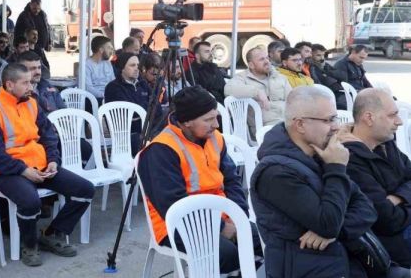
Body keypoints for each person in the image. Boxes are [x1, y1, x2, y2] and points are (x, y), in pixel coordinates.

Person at [250, 86, 379, 278]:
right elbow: (328, 223)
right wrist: (336, 169)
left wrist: (336, 231)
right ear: (300, 125)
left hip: (343, 262)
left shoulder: (319, 154)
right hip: (307, 269)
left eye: (335, 118)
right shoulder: (275, 173)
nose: (336, 127)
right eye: (328, 120)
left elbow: (367, 208)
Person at [0, 64, 95, 267]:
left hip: (41, 166)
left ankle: (52, 234)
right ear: (9, 85)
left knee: (85, 190)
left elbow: (49, 136)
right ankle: (30, 245)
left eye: (30, 82)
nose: (30, 87)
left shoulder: (31, 103)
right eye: (25, 83)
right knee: (31, 202)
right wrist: (23, 171)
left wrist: (53, 161)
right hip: (7, 171)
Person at [138, 86, 258, 273]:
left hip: (221, 216)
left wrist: (238, 216)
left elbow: (232, 180)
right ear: (186, 121)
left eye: (216, 117)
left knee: (268, 239)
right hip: (177, 223)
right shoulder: (161, 150)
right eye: (208, 120)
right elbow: (172, 204)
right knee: (227, 254)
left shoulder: (215, 138)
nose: (216, 125)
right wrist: (220, 228)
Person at [340, 88, 411, 267]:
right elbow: (386, 220)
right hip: (393, 245)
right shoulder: (348, 158)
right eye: (392, 115)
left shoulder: (386, 142)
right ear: (369, 118)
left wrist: (398, 197)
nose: (399, 121)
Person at [105, 52, 162, 154]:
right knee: (144, 141)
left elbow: (158, 108)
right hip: (126, 135)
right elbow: (130, 113)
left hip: (147, 129)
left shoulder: (142, 84)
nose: (137, 68)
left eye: (138, 65)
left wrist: (141, 106)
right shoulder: (113, 87)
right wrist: (146, 106)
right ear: (122, 68)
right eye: (132, 65)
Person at [225, 46, 291, 127]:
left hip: (288, 122)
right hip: (266, 127)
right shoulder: (242, 78)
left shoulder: (279, 77)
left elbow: (292, 99)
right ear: (251, 65)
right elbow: (228, 89)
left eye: (267, 58)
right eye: (262, 59)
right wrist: (257, 92)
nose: (267, 61)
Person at [309, 43, 347, 109]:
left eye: (323, 55)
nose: (322, 58)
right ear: (311, 55)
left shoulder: (324, 65)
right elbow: (317, 83)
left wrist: (328, 72)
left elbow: (343, 76)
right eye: (318, 55)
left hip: (338, 91)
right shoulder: (311, 67)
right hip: (327, 95)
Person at [85, 35, 115, 104]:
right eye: (109, 48)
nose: (111, 51)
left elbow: (113, 83)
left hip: (109, 97)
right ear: (101, 50)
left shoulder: (107, 63)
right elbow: (88, 88)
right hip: (94, 100)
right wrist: (105, 95)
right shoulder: (86, 65)